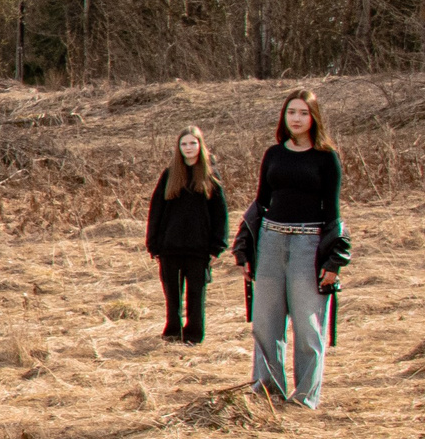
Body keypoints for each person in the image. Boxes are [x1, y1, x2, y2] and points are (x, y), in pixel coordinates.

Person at [236, 89, 344, 409]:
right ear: (284, 116)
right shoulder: (273, 154)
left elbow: (333, 213)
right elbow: (261, 203)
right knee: (266, 324)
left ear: (314, 118)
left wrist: (333, 261)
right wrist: (245, 249)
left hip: (308, 244)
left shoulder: (327, 159)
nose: (296, 118)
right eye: (291, 112)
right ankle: (267, 390)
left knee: (308, 326)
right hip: (270, 241)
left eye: (303, 113)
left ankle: (304, 397)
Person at [145, 127, 228, 345]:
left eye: (192, 143)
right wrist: (153, 244)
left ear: (200, 146)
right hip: (170, 247)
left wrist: (217, 247)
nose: (188, 148)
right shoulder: (170, 174)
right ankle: (172, 332)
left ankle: (193, 334)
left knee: (195, 295)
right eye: (184, 144)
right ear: (178, 148)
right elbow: (156, 210)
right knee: (172, 294)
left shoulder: (210, 175)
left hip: (199, 249)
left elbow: (220, 214)